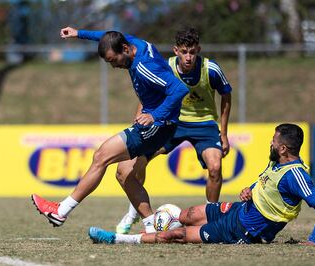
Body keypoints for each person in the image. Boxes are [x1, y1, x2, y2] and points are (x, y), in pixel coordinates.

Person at [72, 27, 232, 234]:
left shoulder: (211, 69)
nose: (188, 57)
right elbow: (148, 96)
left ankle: (211, 218)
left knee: (215, 168)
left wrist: (224, 133)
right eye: (184, 52)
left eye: (192, 52)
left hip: (204, 124)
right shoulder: (165, 66)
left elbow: (226, 95)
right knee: (134, 165)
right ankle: (134, 214)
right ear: (176, 51)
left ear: (198, 50)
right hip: (171, 122)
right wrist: (139, 122)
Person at [31, 27, 189, 233]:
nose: (113, 66)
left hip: (158, 126)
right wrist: (79, 33)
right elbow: (107, 35)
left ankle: (61, 211)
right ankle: (152, 226)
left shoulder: (145, 66)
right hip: (157, 124)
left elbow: (179, 89)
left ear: (125, 49)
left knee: (101, 156)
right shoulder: (136, 44)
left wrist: (154, 115)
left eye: (113, 60)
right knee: (125, 175)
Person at [87, 123, 315, 245]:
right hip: (239, 210)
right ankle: (153, 227)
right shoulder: (277, 163)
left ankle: (117, 239)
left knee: (178, 234)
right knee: (188, 213)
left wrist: (312, 241)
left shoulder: (297, 175)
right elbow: (267, 185)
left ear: (283, 148)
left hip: (243, 231)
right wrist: (250, 191)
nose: (270, 143)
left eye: (273, 141)